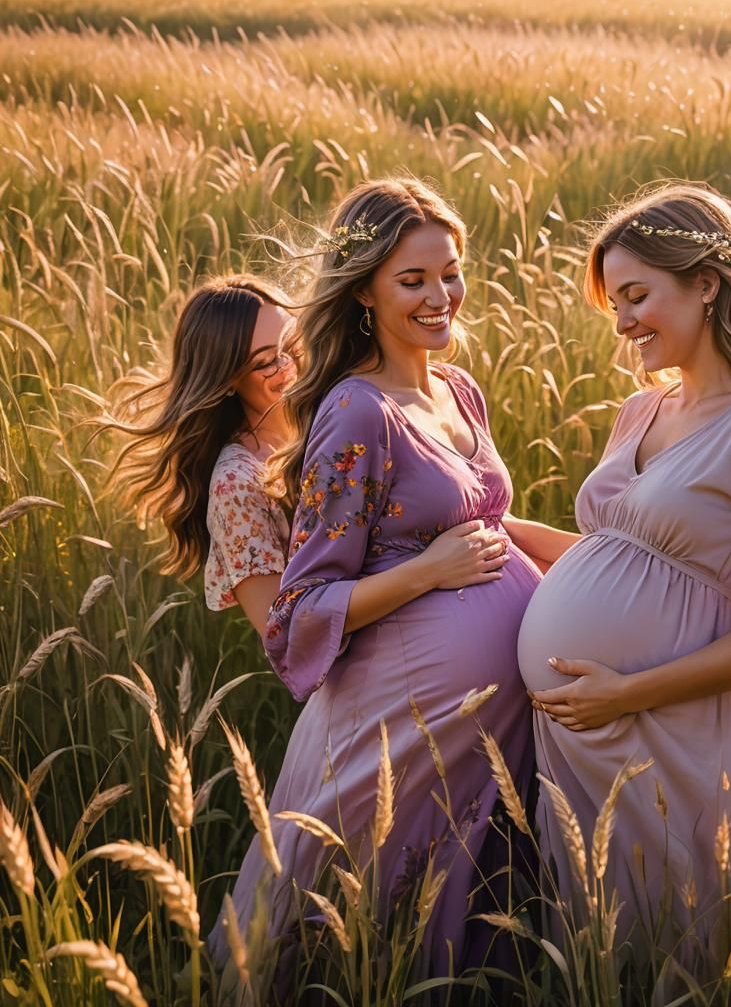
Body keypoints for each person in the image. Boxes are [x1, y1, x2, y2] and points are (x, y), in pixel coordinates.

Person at [509, 182, 731, 978]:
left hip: (672, 733)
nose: (625, 320)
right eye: (616, 304)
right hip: (583, 740)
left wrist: (627, 693)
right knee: (600, 959)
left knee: (685, 957)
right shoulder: (642, 411)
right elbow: (626, 561)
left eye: (638, 295)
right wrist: (492, 527)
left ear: (706, 282)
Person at [209, 177, 542, 976]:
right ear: (364, 289)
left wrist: (621, 545)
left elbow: (490, 526)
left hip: (484, 729)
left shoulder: (458, 389)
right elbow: (303, 606)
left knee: (468, 924)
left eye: (451, 272)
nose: (441, 296)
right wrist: (429, 571)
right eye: (413, 279)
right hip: (402, 726)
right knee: (352, 929)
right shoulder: (357, 413)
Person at [101, 274, 297, 630]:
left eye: (294, 343)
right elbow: (283, 631)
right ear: (226, 382)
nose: (292, 365)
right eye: (267, 361)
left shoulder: (337, 415)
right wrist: (420, 574)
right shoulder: (237, 483)